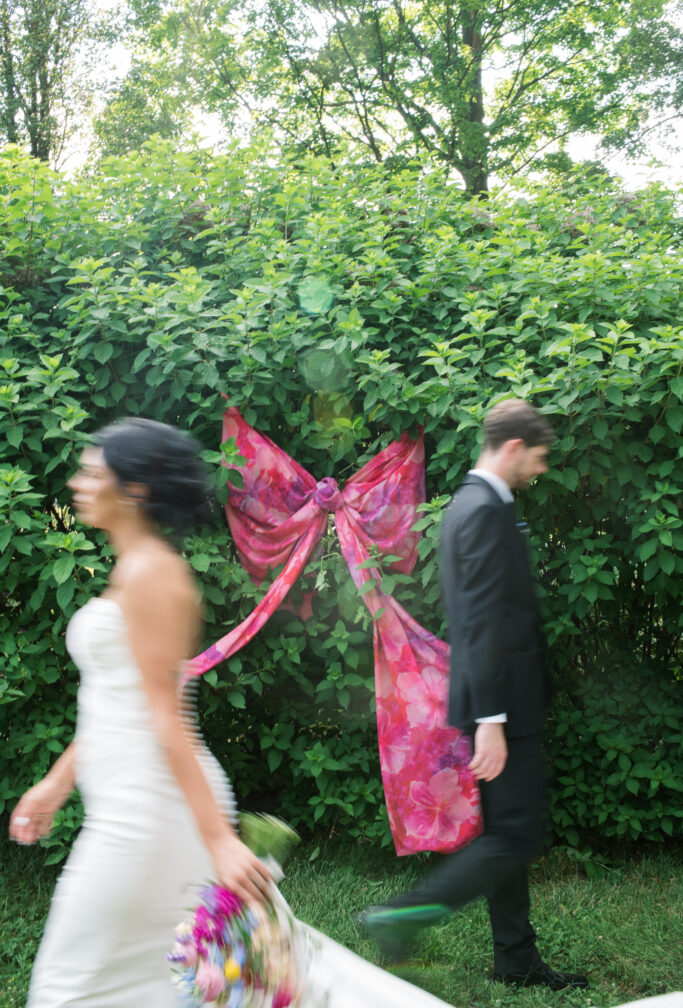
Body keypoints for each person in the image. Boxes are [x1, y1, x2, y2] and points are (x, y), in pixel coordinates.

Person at [10, 417, 454, 1008]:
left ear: (135, 490)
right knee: (163, 986)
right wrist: (54, 784)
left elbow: (166, 718)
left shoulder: (154, 576)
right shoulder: (131, 570)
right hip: (132, 802)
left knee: (69, 988)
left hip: (151, 811)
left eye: (94, 471)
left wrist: (218, 839)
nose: (78, 482)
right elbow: (117, 703)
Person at [361, 399, 589, 991]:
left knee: (505, 835)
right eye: (537, 459)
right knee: (515, 836)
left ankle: (515, 960)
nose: (539, 470)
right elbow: (483, 620)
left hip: (498, 701)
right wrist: (491, 718)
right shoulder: (484, 511)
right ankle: (400, 917)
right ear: (513, 448)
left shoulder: (470, 504)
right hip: (502, 706)